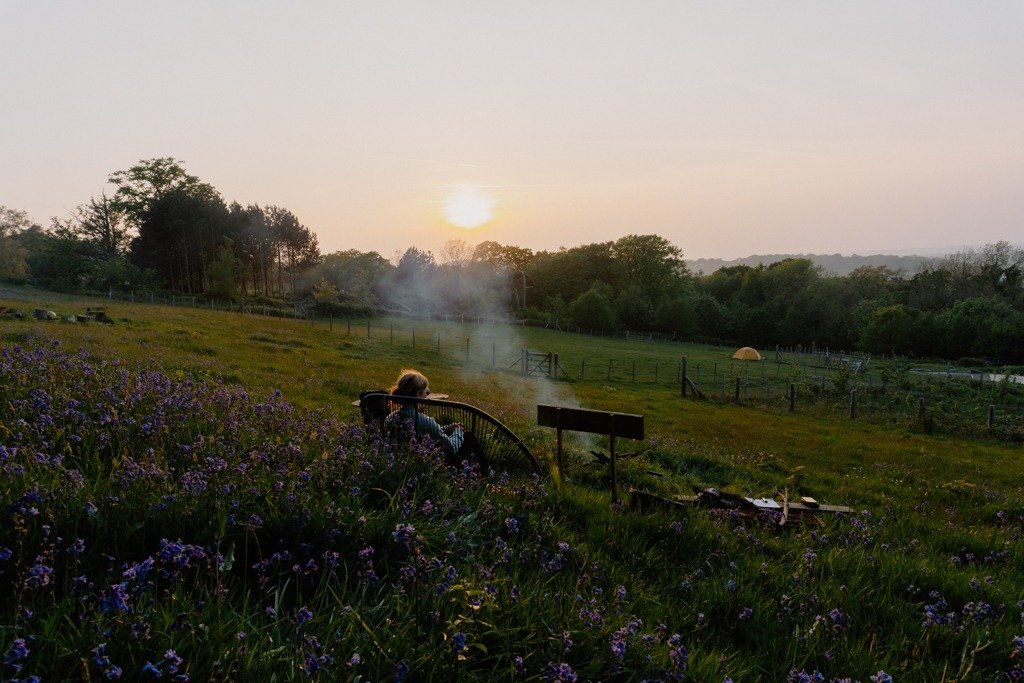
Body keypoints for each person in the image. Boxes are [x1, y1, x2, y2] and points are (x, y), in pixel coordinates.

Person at [384, 369, 485, 468]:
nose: (427, 396)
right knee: (469, 438)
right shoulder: (425, 420)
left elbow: (423, 431)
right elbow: (451, 448)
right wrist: (458, 431)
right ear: (418, 394)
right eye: (427, 392)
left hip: (400, 463)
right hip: (429, 464)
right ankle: (488, 473)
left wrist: (447, 428)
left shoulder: (390, 418)